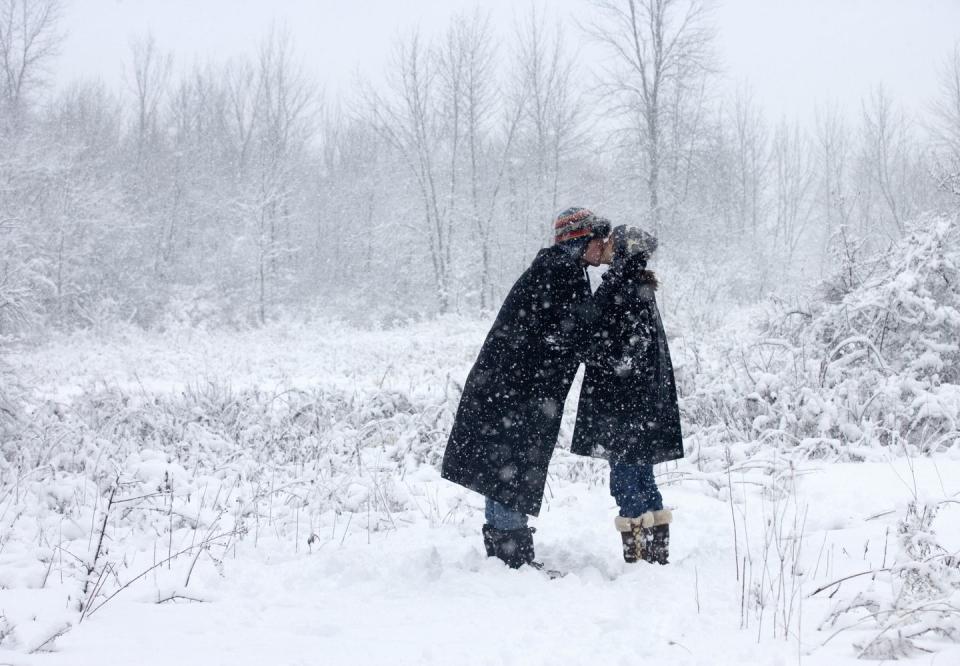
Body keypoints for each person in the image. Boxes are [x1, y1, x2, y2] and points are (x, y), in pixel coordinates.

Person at [441, 207, 612, 569]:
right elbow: (583, 334)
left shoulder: (558, 269)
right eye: (599, 240)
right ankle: (510, 558)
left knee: (503, 466)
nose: (604, 247)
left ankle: (504, 553)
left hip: (510, 387)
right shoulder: (561, 273)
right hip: (517, 392)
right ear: (581, 240)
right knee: (511, 466)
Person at [570, 225, 684, 564]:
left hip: (622, 404)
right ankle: (655, 550)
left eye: (612, 242)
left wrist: (588, 350)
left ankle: (639, 555)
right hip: (638, 403)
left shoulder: (623, 287)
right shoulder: (637, 285)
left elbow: (627, 351)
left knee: (625, 480)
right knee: (642, 476)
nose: (604, 246)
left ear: (623, 251)